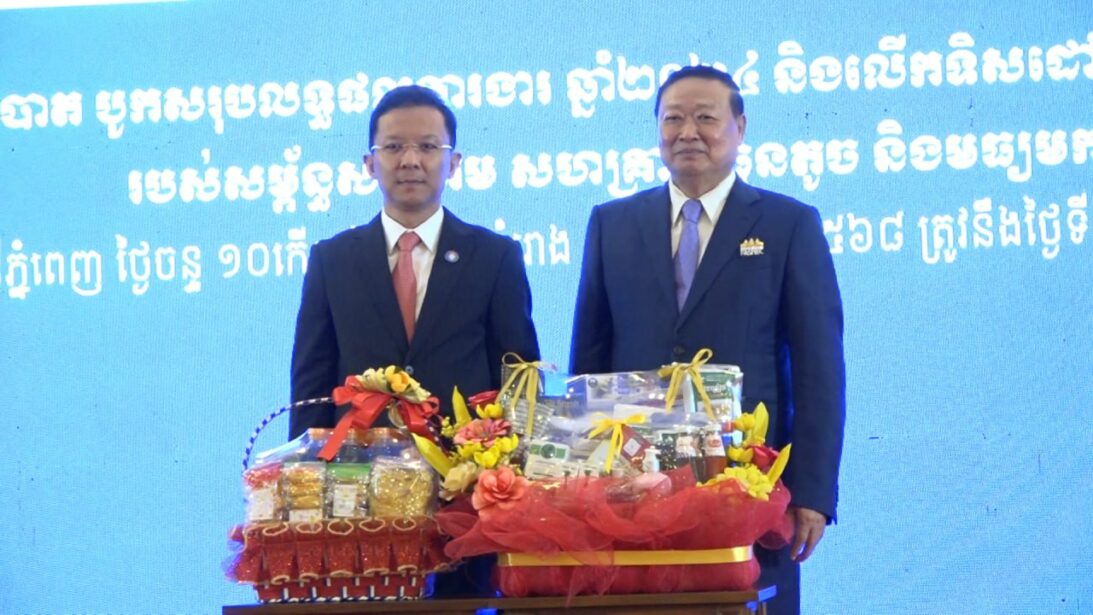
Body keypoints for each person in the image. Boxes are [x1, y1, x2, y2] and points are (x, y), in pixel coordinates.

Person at [569, 65, 845, 615]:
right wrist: (581, 483)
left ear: (740, 128)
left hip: (750, 490)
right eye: (673, 119)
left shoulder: (788, 224)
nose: (687, 132)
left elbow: (819, 369)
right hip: (632, 490)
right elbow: (589, 363)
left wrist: (813, 492)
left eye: (705, 118)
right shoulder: (612, 223)